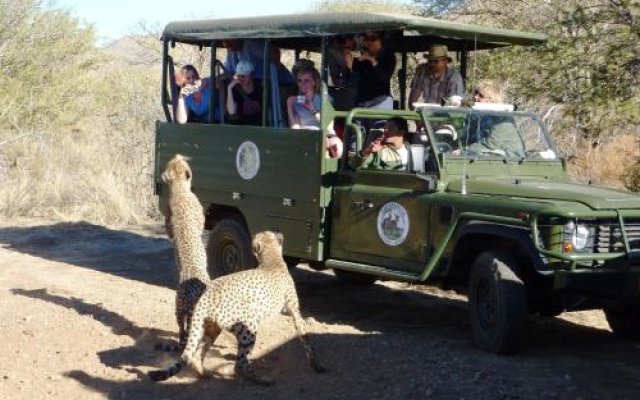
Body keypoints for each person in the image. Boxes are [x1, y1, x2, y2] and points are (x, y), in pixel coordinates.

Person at [466, 80, 524, 157]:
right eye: (476, 93)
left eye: (481, 95)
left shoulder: (502, 117)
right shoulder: (479, 115)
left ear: (491, 99)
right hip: (489, 155)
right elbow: (469, 135)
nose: (476, 97)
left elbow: (492, 144)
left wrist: (465, 149)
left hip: (511, 160)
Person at [408, 44, 464, 109]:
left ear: (445, 62)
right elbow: (412, 102)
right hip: (424, 115)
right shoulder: (422, 71)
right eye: (430, 61)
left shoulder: (454, 77)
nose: (432, 64)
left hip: (445, 116)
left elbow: (454, 106)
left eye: (436, 61)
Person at [351, 31, 396, 109]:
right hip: (362, 103)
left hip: (380, 102)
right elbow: (355, 73)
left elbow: (385, 77)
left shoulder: (388, 56)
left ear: (381, 40)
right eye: (366, 39)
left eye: (373, 39)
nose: (369, 42)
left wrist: (373, 60)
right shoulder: (361, 55)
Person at [226, 60, 263, 125]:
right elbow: (231, 112)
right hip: (240, 127)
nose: (240, 79)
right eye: (238, 76)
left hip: (258, 126)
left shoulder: (260, 87)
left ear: (251, 75)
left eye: (243, 76)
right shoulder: (235, 89)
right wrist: (229, 89)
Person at [286, 64, 322, 129]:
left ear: (314, 82)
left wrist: (313, 110)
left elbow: (328, 126)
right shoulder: (296, 102)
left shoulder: (323, 100)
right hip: (304, 136)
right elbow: (295, 129)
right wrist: (289, 107)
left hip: (321, 135)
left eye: (306, 81)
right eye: (299, 81)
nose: (302, 84)